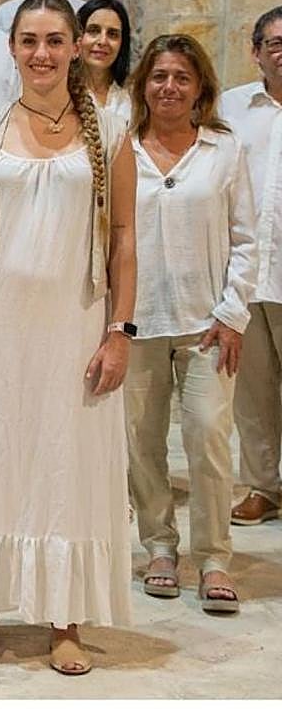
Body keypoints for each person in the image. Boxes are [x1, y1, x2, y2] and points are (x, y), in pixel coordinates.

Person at [0, 0, 136, 676]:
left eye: (54, 41)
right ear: (12, 49)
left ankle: (64, 619)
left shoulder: (111, 131)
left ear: (76, 48)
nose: (41, 54)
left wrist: (119, 331)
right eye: (29, 41)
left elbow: (124, 238)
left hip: (75, 324)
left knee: (65, 461)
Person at [123, 33, 256, 615]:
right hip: (137, 321)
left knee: (207, 436)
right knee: (141, 442)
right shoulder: (122, 148)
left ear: (200, 86)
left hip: (208, 324)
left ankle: (214, 557)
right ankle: (159, 547)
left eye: (182, 77)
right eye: (159, 76)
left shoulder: (223, 149)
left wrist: (233, 313)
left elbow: (247, 237)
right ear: (143, 85)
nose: (170, 87)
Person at [221, 4, 282, 525]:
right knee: (252, 390)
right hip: (246, 272)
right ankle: (263, 486)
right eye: (275, 44)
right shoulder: (231, 108)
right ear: (256, 51)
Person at [78, 0, 133, 129]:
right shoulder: (61, 93)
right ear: (77, 37)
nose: (103, 41)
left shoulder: (131, 97)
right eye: (93, 31)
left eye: (112, 34)